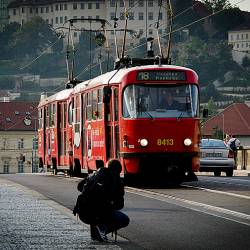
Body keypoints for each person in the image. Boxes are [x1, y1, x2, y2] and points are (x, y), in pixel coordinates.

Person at [74, 159, 130, 242]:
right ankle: (102, 229)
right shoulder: (118, 182)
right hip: (100, 214)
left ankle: (96, 232)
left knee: (96, 209)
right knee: (124, 219)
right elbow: (119, 205)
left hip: (83, 213)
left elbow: (79, 186)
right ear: (119, 171)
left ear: (107, 166)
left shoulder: (95, 174)